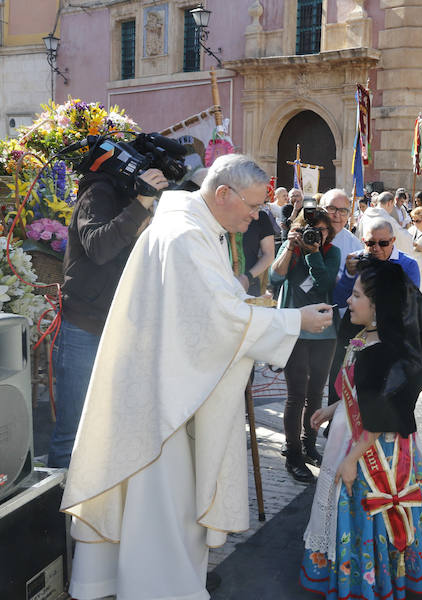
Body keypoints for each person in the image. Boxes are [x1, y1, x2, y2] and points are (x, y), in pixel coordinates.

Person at [61, 154, 334, 600]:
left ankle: (157, 582)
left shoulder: (195, 226)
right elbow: (214, 319)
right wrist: (293, 321)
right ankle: (159, 589)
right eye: (252, 206)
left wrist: (254, 311)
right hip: (168, 400)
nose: (257, 216)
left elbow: (209, 306)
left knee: (168, 499)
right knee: (165, 498)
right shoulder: (185, 235)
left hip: (170, 381)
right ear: (223, 193)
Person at [300, 260, 422, 598]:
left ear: (377, 307)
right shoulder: (366, 339)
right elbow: (360, 394)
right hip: (357, 433)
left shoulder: (381, 352)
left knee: (367, 515)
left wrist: (350, 460)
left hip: (370, 449)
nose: (349, 300)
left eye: (357, 295)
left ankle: (370, 583)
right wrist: (331, 409)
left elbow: (379, 416)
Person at [49, 165, 168, 468]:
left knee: (117, 426)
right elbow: (100, 248)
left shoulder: (146, 201)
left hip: (127, 326)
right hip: (84, 326)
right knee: (73, 431)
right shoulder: (99, 192)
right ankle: (60, 498)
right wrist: (141, 203)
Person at [270, 208, 341, 481]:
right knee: (296, 395)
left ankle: (309, 445)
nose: (316, 235)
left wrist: (313, 253)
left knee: (316, 393)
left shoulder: (331, 252)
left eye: (322, 230)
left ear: (328, 232)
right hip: (295, 330)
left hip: (324, 333)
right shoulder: (292, 248)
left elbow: (324, 284)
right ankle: (293, 454)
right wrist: (290, 246)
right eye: (311, 230)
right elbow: (276, 277)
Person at [327, 219, 421, 408]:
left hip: (389, 332)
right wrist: (349, 275)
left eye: (383, 243)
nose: (376, 248)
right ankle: (335, 417)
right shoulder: (356, 260)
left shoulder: (408, 264)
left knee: (378, 388)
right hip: (354, 328)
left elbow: (411, 305)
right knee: (342, 376)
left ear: (393, 240)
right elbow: (339, 299)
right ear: (363, 241)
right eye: (371, 243)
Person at [321, 188, 364, 291]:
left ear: (349, 215)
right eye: (331, 208)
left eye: (343, 211)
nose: (337, 215)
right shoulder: (306, 236)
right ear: (321, 209)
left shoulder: (355, 245)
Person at [240, 204, 277, 296]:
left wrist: (247, 277)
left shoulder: (261, 217)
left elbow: (269, 254)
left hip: (250, 283)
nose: (256, 216)